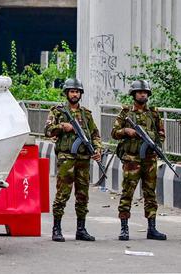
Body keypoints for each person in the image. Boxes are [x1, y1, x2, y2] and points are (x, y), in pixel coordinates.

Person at [44, 78, 102, 242]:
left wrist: (97, 149)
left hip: (83, 159)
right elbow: (47, 130)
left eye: (77, 92)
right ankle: (57, 228)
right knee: (63, 193)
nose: (75, 94)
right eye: (72, 91)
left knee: (83, 195)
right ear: (67, 93)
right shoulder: (58, 111)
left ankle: (81, 229)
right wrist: (63, 127)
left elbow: (95, 135)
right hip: (66, 158)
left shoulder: (86, 114)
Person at [112, 79, 167, 240]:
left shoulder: (154, 114)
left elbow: (161, 135)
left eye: (145, 92)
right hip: (131, 159)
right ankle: (124, 228)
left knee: (150, 193)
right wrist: (126, 131)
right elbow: (114, 133)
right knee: (127, 193)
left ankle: (152, 228)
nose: (143, 94)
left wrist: (152, 140)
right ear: (134, 94)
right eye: (139, 92)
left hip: (149, 159)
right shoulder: (126, 113)